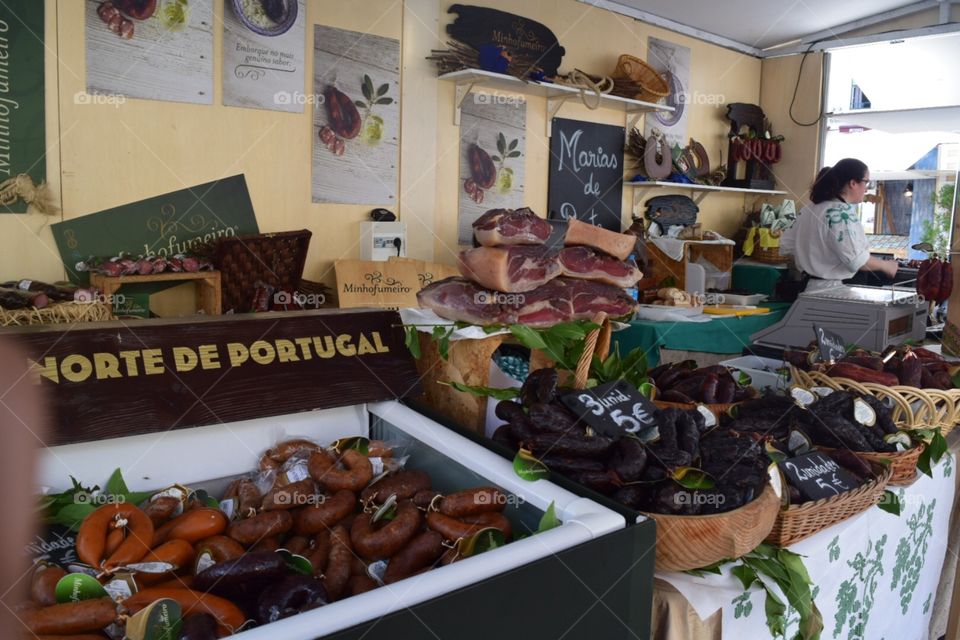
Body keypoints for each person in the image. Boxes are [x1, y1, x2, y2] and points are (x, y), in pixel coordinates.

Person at [780, 158, 898, 291]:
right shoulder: (841, 213)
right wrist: (885, 265)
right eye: (866, 182)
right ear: (853, 183)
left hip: (807, 288)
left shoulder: (809, 209)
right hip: (831, 291)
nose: (866, 189)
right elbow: (856, 260)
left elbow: (786, 246)